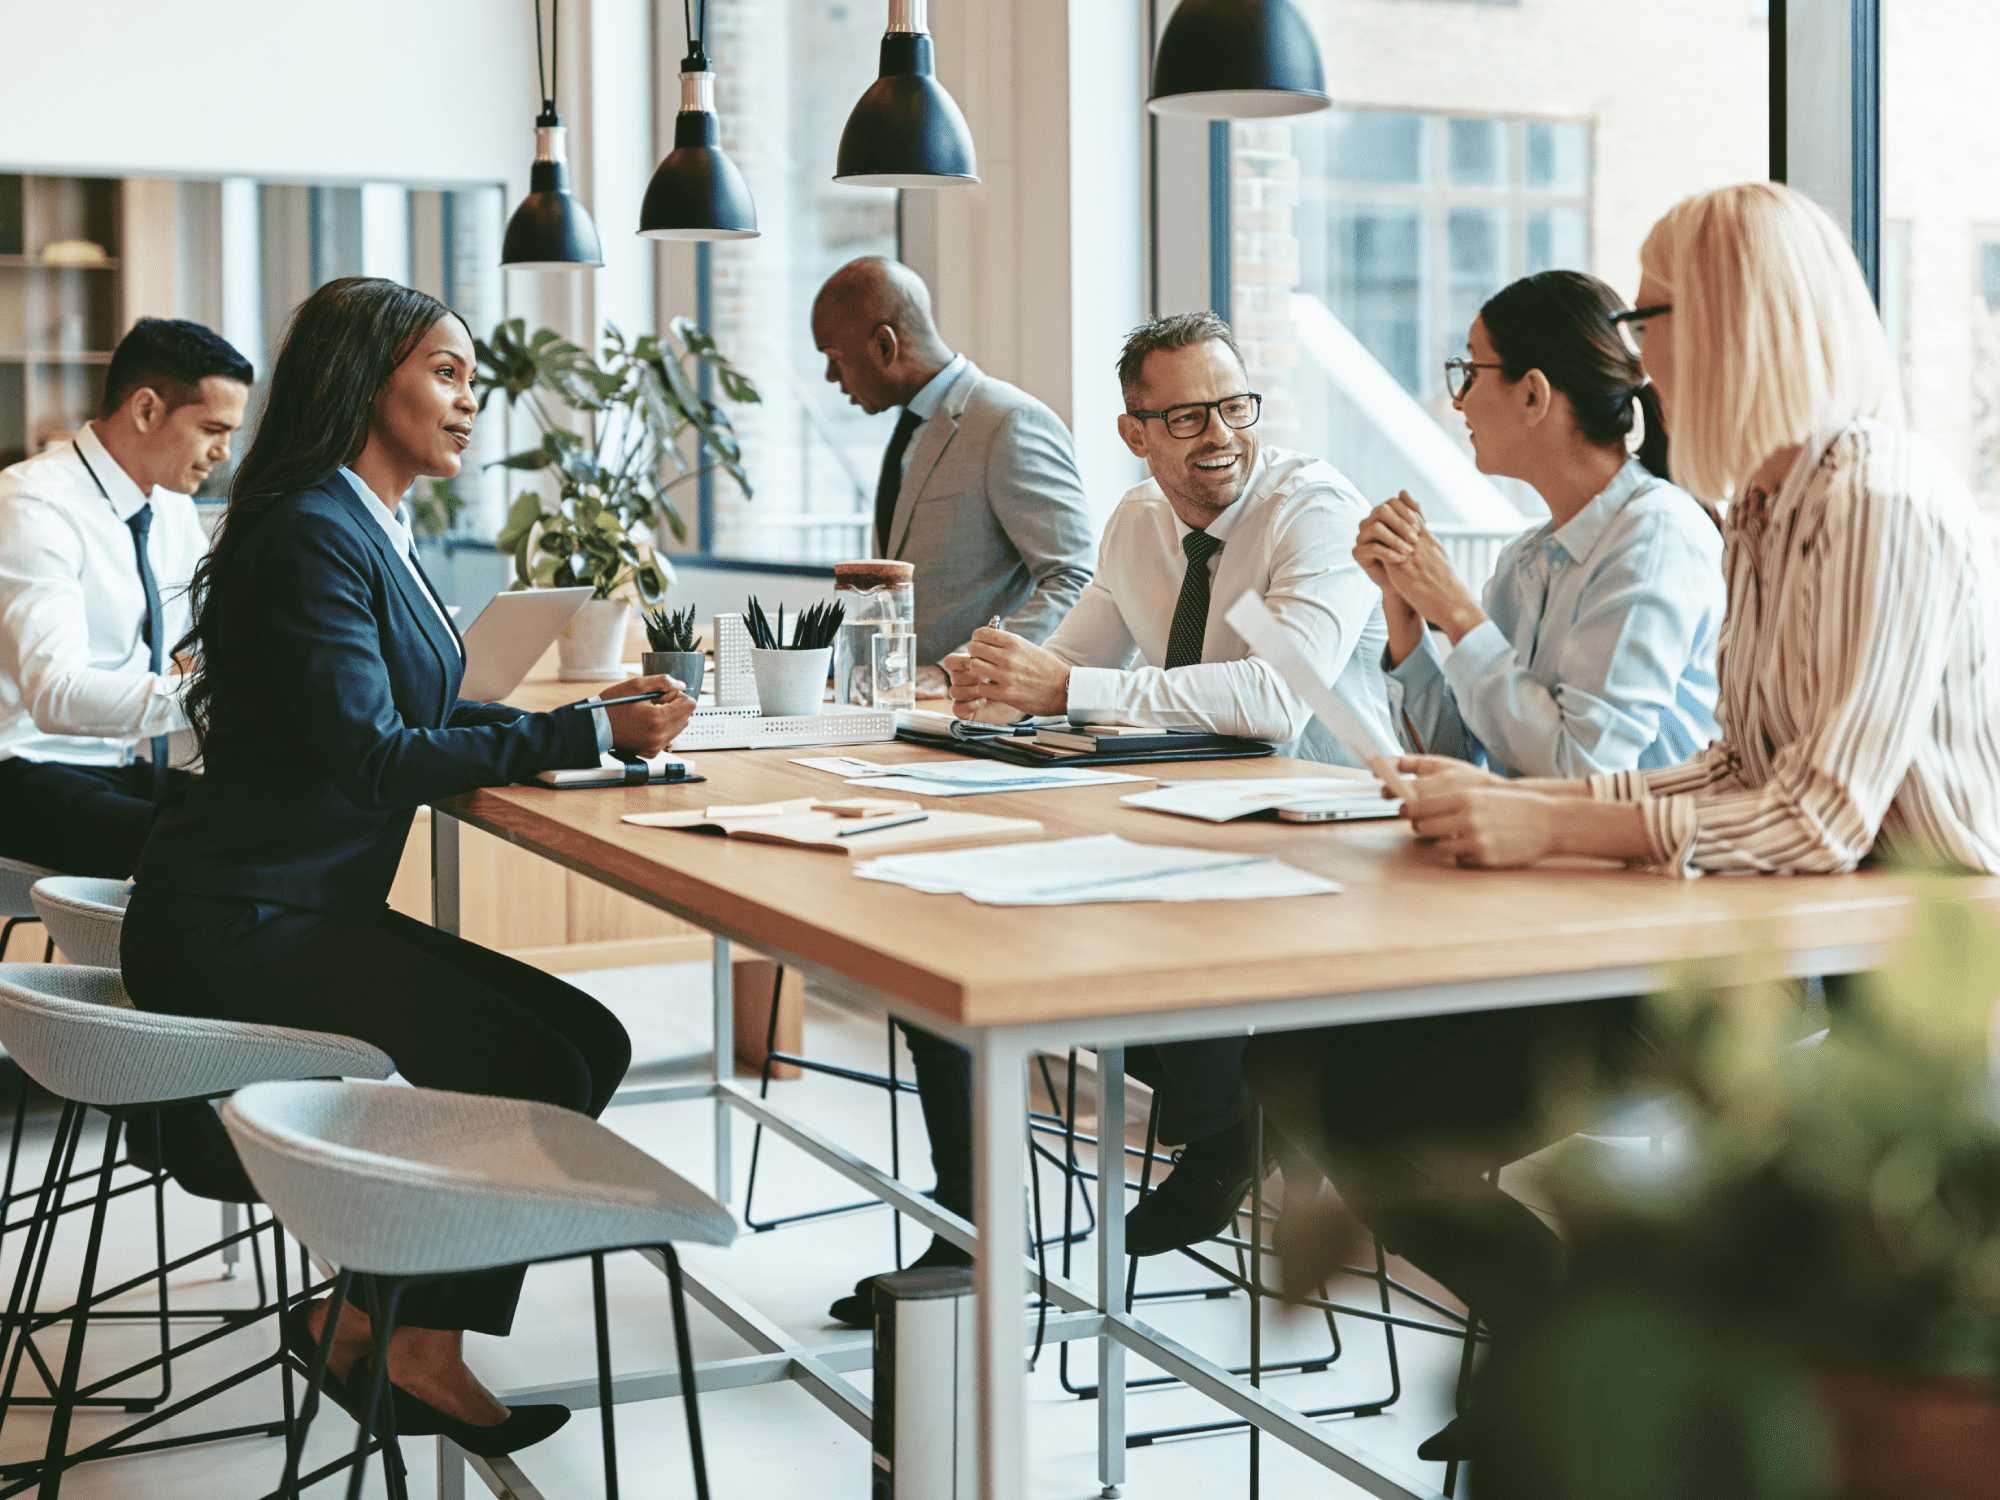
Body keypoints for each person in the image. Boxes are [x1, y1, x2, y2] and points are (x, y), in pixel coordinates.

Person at [1249, 180, 2000, 1466]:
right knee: (1359, 1086)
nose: (1636, 357)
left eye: (1649, 311)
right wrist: (1527, 806)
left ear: (1730, 317)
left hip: (1912, 987)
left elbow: (1815, 813)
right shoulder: (1766, 509)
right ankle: (1564, 1370)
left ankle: (1576, 1383)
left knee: (1404, 1103)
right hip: (1794, 936)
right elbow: (1727, 764)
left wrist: (1549, 824)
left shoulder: (1869, 500)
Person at [119, 277, 692, 1456]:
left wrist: (581, 722)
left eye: (472, 377)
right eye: (444, 370)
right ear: (361, 378)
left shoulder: (365, 520)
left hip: (295, 902)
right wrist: (583, 736)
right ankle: (406, 1336)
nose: (469, 399)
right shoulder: (310, 529)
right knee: (535, 1062)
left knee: (590, 1043)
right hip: (239, 922)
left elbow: (413, 713)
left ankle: (369, 1314)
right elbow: (374, 752)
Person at [825, 313, 1391, 1328]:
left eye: (1232, 406)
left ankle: (1222, 1126)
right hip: (1191, 817)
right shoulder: (1136, 522)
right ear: (1134, 433)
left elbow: (1275, 701)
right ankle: (987, 1229)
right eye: (1184, 416)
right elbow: (1071, 660)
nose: (1218, 433)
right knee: (950, 927)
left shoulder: (1311, 512)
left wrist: (1067, 685)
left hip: (1326, 830)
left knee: (1095, 914)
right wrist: (988, 683)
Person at [1356, 269, 1724, 780]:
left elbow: (1584, 772)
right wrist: (1404, 608)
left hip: (1632, 858)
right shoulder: (1523, 561)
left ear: (1533, 394)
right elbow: (1455, 763)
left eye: (1471, 370)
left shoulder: (1655, 536)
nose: (1459, 399)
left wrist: (1456, 609)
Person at [0, 319, 252, 876]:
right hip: (23, 770)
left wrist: (206, 674)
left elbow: (195, 647)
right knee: (216, 857)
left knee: (283, 825)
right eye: (213, 428)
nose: (224, 453)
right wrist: (207, 691)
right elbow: (57, 695)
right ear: (146, 409)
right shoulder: (32, 504)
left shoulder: (170, 508)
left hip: (121, 766)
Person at [811, 256, 1095, 687]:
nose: (831, 376)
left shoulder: (1009, 422)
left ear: (885, 346)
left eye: (834, 358)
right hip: (904, 710)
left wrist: (955, 671)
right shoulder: (909, 429)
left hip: (976, 713)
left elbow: (1074, 579)